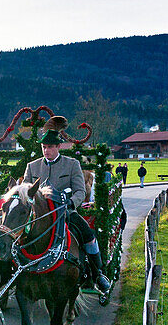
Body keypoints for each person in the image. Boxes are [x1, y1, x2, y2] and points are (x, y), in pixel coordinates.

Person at [22, 116, 111, 293]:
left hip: (65, 212)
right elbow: (24, 192)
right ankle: (12, 271)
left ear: (58, 147)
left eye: (50, 147)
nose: (46, 151)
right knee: (16, 233)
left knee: (88, 234)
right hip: (38, 215)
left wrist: (70, 203)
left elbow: (81, 191)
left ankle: (98, 274)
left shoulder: (72, 165)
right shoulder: (32, 166)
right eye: (44, 147)